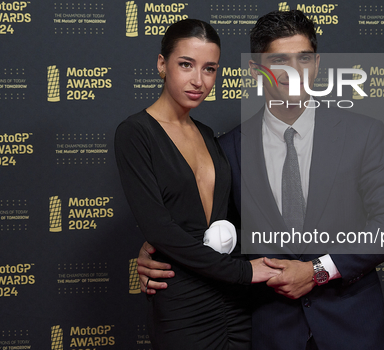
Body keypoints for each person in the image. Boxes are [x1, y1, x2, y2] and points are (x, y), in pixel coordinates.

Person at [136, 11, 384, 349]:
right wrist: (157, 252)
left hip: (352, 329)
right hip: (270, 331)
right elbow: (214, 231)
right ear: (255, 70)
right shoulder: (226, 150)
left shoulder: (362, 134)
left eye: (304, 59)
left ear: (318, 64)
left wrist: (317, 271)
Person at [115, 19, 279, 350]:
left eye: (209, 69)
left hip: (235, 302)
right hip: (182, 302)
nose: (198, 80)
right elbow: (159, 228)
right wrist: (244, 272)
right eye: (186, 65)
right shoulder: (135, 133)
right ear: (162, 65)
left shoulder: (206, 134)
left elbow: (231, 214)